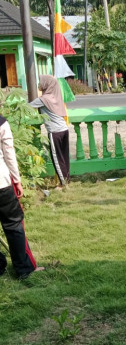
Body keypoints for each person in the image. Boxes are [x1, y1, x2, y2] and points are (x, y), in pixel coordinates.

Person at [0, 114, 43, 279]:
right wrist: (17, 180)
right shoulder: (1, 122)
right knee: (13, 225)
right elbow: (8, 153)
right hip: (2, 182)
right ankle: (23, 268)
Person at [30, 75, 70, 188]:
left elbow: (27, 107)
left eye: (41, 82)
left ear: (47, 84)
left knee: (57, 158)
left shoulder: (43, 99)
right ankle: (66, 180)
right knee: (64, 157)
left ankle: (63, 185)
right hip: (64, 129)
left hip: (55, 132)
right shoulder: (56, 96)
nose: (39, 84)